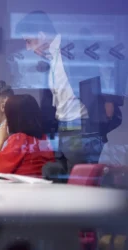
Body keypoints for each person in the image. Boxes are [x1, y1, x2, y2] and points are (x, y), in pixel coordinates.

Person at [15, 11, 122, 181]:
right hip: (62, 126)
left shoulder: (75, 46)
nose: (28, 47)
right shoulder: (50, 56)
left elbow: (112, 62)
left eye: (29, 41)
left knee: (78, 178)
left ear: (41, 35)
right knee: (59, 174)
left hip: (82, 123)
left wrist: (111, 100)